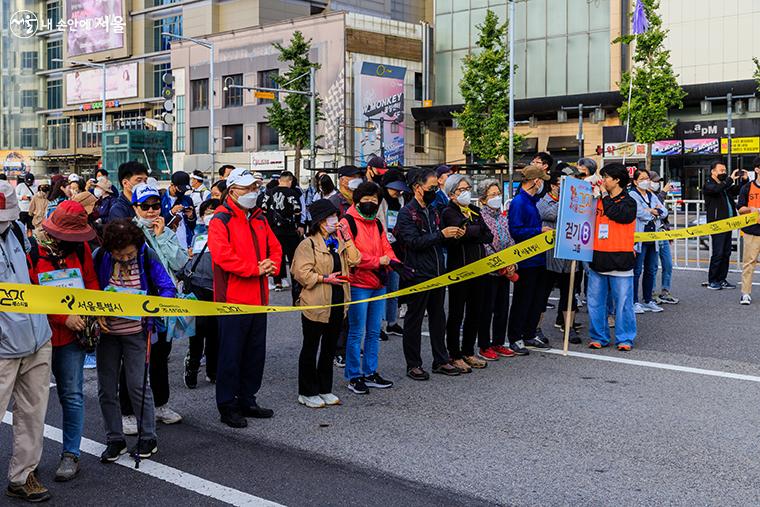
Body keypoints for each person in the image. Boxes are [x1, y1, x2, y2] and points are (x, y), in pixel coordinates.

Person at [28, 200, 99, 482]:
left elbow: (91, 283)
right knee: (33, 400)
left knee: (72, 395)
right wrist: (62, 316)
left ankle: (71, 453)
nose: (75, 241)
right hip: (39, 337)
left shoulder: (80, 249)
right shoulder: (32, 251)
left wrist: (89, 312)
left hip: (72, 337)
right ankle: (28, 460)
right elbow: (29, 294)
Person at [94, 220, 176, 463]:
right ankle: (114, 439)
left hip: (137, 331)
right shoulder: (100, 257)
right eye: (118, 254)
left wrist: (152, 310)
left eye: (128, 253)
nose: (123, 258)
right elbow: (90, 289)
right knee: (106, 389)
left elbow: (167, 288)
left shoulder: (146, 255)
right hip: (107, 333)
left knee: (138, 385)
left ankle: (148, 437)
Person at [208, 168, 282, 428]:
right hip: (232, 300)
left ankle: (248, 398)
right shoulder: (221, 219)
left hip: (259, 298)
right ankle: (227, 405)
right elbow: (222, 255)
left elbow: (275, 246)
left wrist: (272, 264)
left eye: (255, 188)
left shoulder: (259, 218)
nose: (253, 193)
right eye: (248, 188)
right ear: (232, 191)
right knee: (230, 354)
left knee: (254, 353)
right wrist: (256, 268)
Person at [0, 181, 54, 502]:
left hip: (37, 336)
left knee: (34, 412)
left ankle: (23, 475)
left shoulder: (18, 231)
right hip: (3, 346)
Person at [127, 183, 189, 426]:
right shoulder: (129, 231)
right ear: (135, 207)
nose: (151, 211)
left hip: (165, 302)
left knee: (161, 354)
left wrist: (163, 236)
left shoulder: (166, 230)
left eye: (155, 205)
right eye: (145, 206)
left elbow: (180, 262)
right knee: (133, 358)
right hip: (138, 303)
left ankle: (161, 404)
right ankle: (128, 411)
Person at [395, 169, 463, 380]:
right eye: (432, 188)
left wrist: (452, 234)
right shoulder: (407, 213)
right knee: (414, 321)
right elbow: (413, 242)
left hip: (437, 272)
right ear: (418, 187)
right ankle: (413, 364)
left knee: (438, 318)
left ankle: (441, 360)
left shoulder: (433, 211)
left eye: (437, 188)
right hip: (417, 273)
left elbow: (437, 238)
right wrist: (440, 235)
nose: (435, 191)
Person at [292, 199, 361, 407]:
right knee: (311, 347)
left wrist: (347, 238)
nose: (335, 220)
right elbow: (300, 273)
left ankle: (324, 388)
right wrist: (324, 278)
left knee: (330, 348)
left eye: (336, 216)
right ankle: (307, 391)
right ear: (321, 221)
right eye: (332, 217)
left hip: (338, 302)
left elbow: (356, 260)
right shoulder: (308, 244)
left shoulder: (338, 241)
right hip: (316, 302)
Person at [338, 182, 398, 394]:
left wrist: (393, 260)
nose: (371, 202)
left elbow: (387, 247)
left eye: (375, 199)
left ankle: (370, 372)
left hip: (378, 283)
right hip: (358, 285)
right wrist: (379, 261)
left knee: (373, 332)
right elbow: (352, 258)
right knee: (356, 332)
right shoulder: (346, 223)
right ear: (357, 199)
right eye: (367, 198)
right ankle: (354, 376)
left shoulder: (378, 223)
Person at [440, 174, 493, 371]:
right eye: (462, 189)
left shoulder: (475, 211)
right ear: (452, 194)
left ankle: (469, 351)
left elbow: (488, 235)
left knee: (475, 312)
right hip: (460, 268)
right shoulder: (448, 211)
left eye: (467, 188)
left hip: (480, 267)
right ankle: (454, 354)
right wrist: (473, 231)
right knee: (456, 313)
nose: (466, 192)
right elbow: (459, 235)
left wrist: (471, 231)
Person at [587, 163, 638, 351]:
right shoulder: (597, 199)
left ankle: (625, 338)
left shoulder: (629, 201)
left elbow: (619, 215)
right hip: (598, 259)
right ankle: (598, 336)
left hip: (621, 260)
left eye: (606, 177)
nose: (603, 180)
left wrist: (603, 196)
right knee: (595, 303)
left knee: (623, 304)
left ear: (617, 180)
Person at [507, 165, 552, 355]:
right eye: (542, 180)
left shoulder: (531, 201)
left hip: (538, 258)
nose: (543, 183)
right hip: (526, 259)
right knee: (522, 300)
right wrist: (538, 231)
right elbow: (515, 231)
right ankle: (515, 337)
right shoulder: (519, 202)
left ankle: (529, 333)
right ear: (536, 181)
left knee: (536, 299)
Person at [537, 169, 582, 343]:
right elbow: (549, 214)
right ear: (554, 185)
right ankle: (536, 328)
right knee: (543, 294)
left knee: (569, 293)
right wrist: (567, 198)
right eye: (563, 185)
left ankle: (568, 328)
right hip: (550, 257)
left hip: (571, 254)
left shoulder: (575, 201)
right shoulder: (544, 202)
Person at [182, 199, 220, 388]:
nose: (210, 215)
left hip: (217, 288)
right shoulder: (197, 234)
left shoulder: (226, 235)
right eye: (207, 212)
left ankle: (213, 371)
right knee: (197, 330)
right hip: (197, 285)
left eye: (214, 211)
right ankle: (192, 367)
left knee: (215, 331)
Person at [477, 180, 517, 358]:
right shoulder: (480, 217)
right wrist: (498, 262)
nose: (496, 198)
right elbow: (485, 244)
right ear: (483, 199)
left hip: (505, 269)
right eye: (492, 195)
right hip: (489, 269)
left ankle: (499, 342)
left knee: (503, 308)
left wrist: (512, 262)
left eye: (498, 194)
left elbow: (510, 241)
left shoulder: (502, 217)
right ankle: (484, 345)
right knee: (487, 308)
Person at [629, 169, 667, 314]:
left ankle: (648, 300)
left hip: (653, 237)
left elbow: (664, 211)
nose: (646, 181)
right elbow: (638, 212)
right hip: (640, 237)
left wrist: (653, 211)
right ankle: (634, 301)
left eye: (647, 178)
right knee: (637, 270)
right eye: (642, 178)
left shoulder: (652, 195)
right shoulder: (632, 194)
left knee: (651, 270)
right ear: (635, 181)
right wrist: (652, 212)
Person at [377, 170, 409, 338]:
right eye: (395, 188)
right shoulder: (379, 200)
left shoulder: (401, 200)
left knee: (394, 289)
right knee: (383, 289)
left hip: (397, 248)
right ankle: (379, 326)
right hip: (382, 249)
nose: (398, 192)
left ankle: (392, 322)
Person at [262, 170, 302, 292]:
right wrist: (298, 224)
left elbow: (263, 209)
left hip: (273, 230)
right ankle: (295, 282)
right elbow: (297, 210)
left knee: (276, 256)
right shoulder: (293, 193)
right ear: (289, 181)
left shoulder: (268, 193)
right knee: (293, 258)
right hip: (289, 230)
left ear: (279, 180)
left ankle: (278, 282)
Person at [703, 160, 741, 290]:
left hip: (728, 224)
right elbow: (716, 190)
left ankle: (722, 279)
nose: (723, 173)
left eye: (725, 170)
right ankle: (712, 280)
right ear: (713, 172)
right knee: (718, 253)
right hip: (717, 224)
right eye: (721, 170)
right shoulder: (709, 184)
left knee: (726, 253)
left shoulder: (725, 185)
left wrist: (743, 181)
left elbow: (736, 190)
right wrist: (729, 179)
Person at [649, 172, 679, 305]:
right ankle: (652, 293)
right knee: (653, 266)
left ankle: (665, 291)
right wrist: (663, 192)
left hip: (663, 233)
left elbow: (663, 214)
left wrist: (669, 233)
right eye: (654, 181)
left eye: (658, 182)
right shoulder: (643, 196)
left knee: (668, 264)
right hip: (651, 235)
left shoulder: (656, 196)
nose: (657, 184)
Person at [737, 157, 760, 305]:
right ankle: (745, 293)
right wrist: (751, 209)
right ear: (757, 169)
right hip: (752, 230)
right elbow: (740, 208)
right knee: (749, 263)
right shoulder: (747, 188)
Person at [161, 171, 197, 250]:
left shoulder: (188, 199)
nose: (182, 192)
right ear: (172, 185)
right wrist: (171, 212)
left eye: (185, 190)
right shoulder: (161, 200)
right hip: (169, 245)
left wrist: (191, 217)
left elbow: (192, 225)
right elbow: (159, 223)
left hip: (186, 243)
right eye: (180, 189)